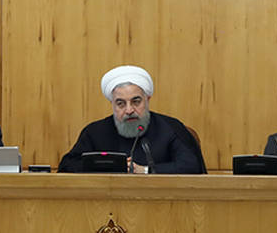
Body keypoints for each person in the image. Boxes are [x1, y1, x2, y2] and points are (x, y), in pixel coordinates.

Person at [58, 65, 204, 173]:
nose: (129, 110)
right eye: (121, 103)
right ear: (112, 104)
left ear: (147, 99)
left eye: (136, 102)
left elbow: (191, 166)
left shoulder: (170, 128)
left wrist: (145, 170)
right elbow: (67, 166)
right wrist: (107, 167)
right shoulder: (96, 132)